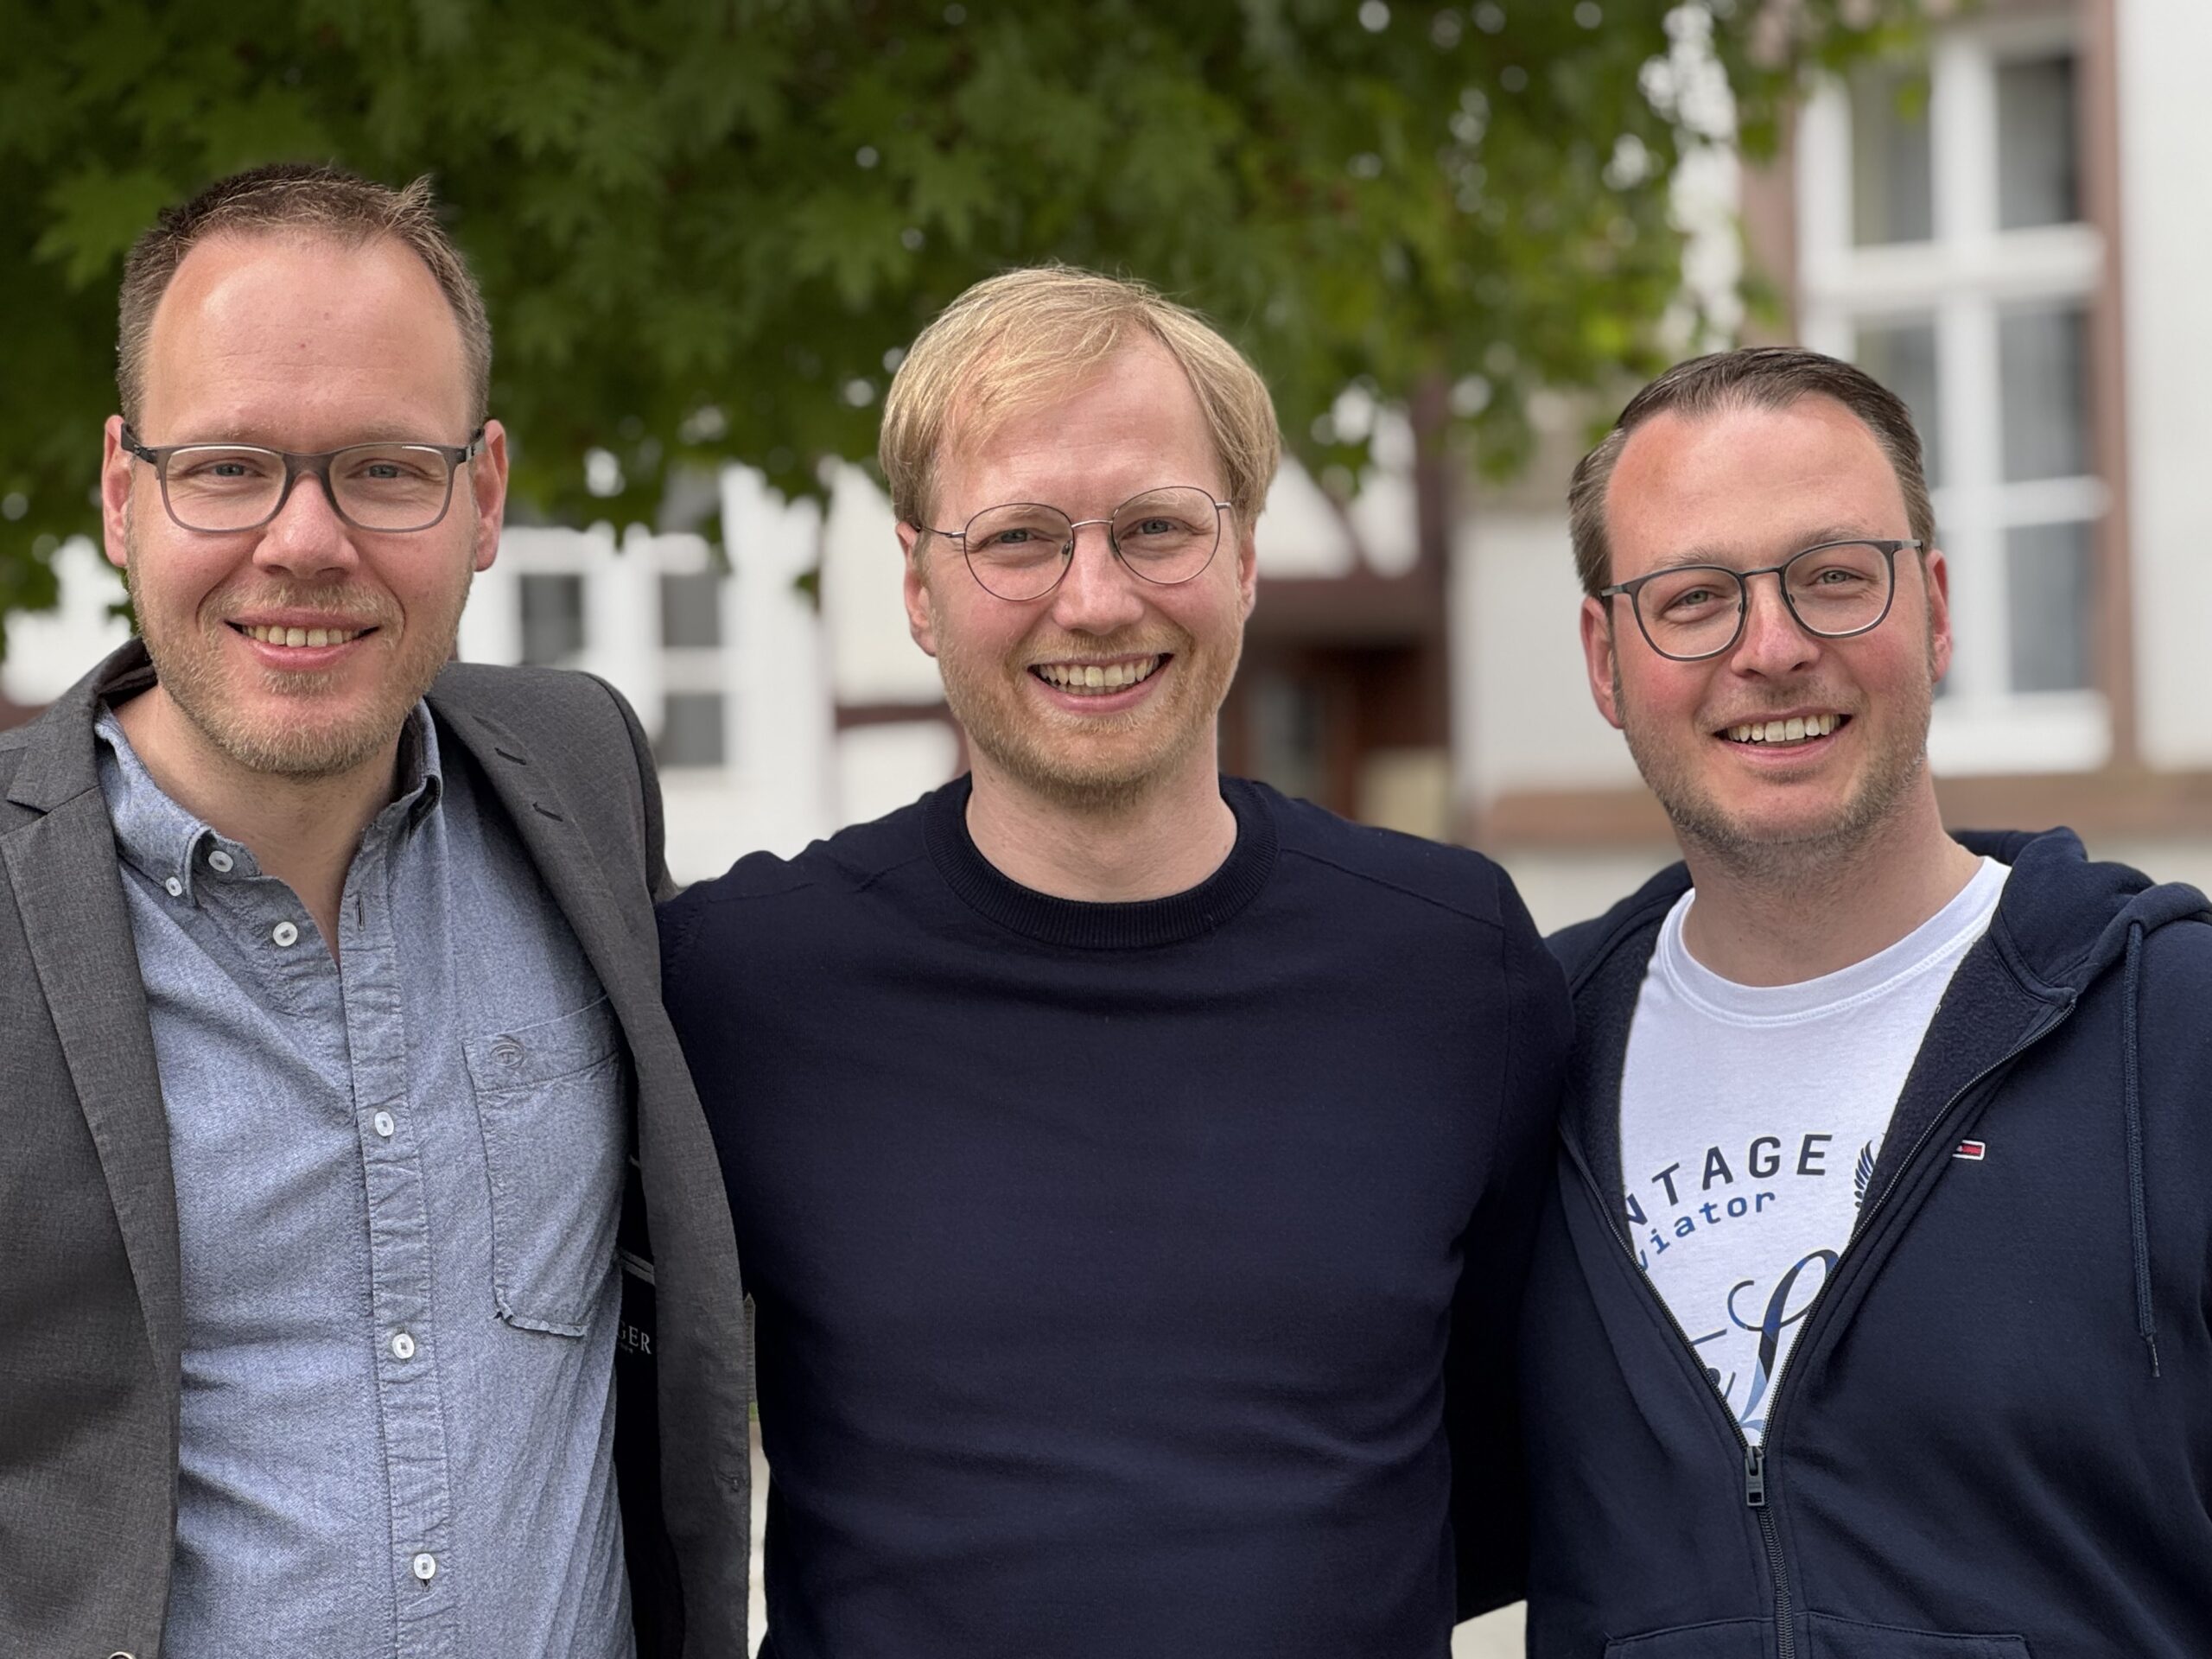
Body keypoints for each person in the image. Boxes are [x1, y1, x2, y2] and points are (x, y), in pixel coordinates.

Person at [659, 266, 1569, 1657]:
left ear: (1246, 557)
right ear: (918, 586)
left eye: (1156, 527)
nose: (1093, 600)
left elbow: (1502, 1473)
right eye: (1018, 538)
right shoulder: (746, 982)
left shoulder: (1452, 968)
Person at [0, 163, 749, 1659]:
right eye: (228, 467)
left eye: (385, 469)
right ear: (122, 492)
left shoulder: (582, 774)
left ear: (484, 494)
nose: (304, 543)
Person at [1520, 346, 2212, 1657]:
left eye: (1835, 577)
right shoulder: (1516, 1056)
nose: (1773, 649)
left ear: (1935, 610)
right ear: (1606, 660)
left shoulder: (2175, 1032)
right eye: (1693, 598)